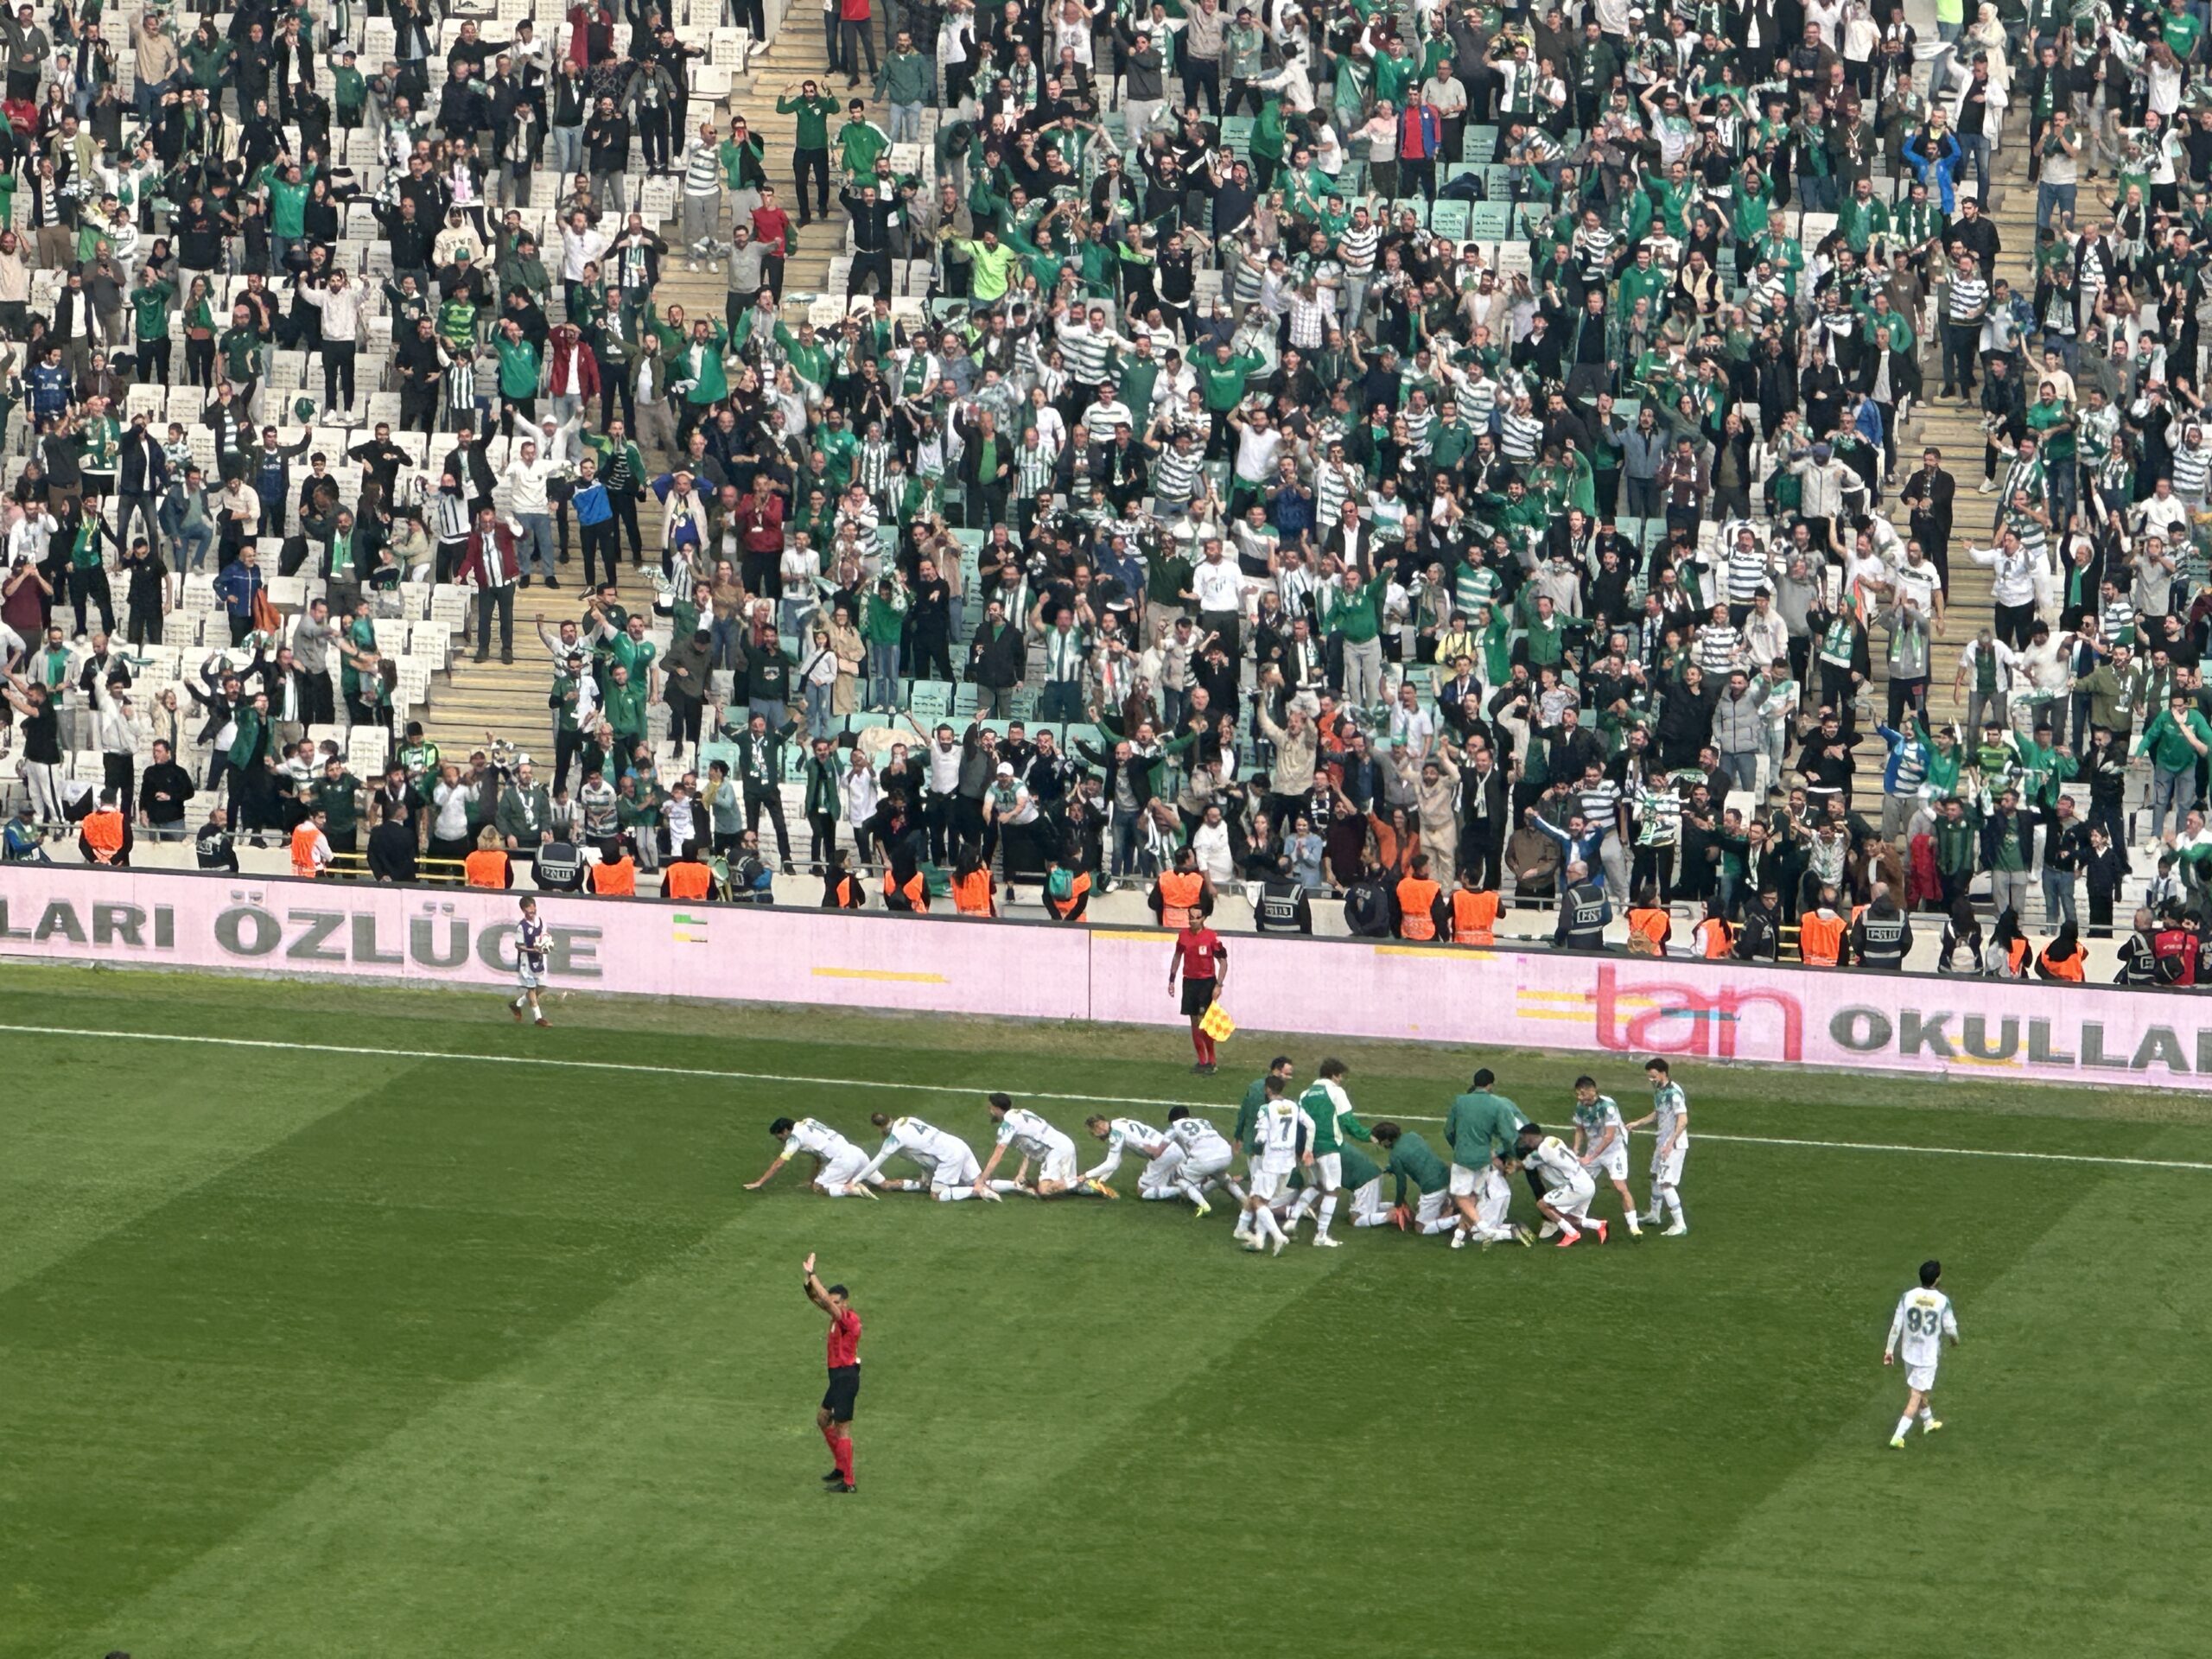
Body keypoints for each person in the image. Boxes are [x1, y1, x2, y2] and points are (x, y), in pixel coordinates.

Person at [799, 1250, 862, 1493]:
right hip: (837, 1379)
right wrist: (807, 1281)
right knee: (823, 1419)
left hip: (846, 1377)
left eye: (837, 1302)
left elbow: (824, 1299)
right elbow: (818, 1299)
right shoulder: (837, 1318)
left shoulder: (849, 1320)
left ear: (845, 1303)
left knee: (842, 1427)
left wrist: (814, 1273)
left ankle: (849, 1482)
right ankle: (840, 1466)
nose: (832, 1305)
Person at [1883, 1259, 1961, 1449]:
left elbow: (1896, 1324)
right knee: (1916, 1394)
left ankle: (1928, 1422)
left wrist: (1889, 1349)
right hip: (1927, 1356)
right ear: (1937, 1278)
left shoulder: (1907, 1296)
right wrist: (1955, 1341)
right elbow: (1950, 1329)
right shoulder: (1942, 1301)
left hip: (1908, 1353)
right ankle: (1898, 1436)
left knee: (1920, 1388)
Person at [1296, 1057, 1370, 1249]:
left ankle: (1293, 1218)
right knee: (1332, 1190)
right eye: (1341, 1076)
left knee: (1317, 1185)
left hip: (1309, 1149)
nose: (1342, 1080)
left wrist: (1304, 1150)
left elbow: (1301, 1125)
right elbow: (1347, 1121)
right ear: (1334, 1075)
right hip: (1329, 1147)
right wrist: (1367, 1136)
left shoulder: (1305, 1094)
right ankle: (1321, 1234)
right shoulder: (1336, 1092)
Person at [1238, 1072, 1311, 1255]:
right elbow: (1311, 1125)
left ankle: (1278, 1236)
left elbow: (1261, 1137)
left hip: (1271, 1161)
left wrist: (1258, 1140)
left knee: (1257, 1200)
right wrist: (1307, 1149)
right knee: (1263, 1199)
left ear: (1267, 1089)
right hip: (1288, 1162)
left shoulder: (1266, 1109)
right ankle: (1258, 1239)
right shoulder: (1294, 1106)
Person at [855, 1113, 998, 1201]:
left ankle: (976, 1192)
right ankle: (1016, 1185)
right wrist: (926, 1176)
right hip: (957, 1144)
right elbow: (923, 1149)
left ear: (879, 1128)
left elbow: (876, 1163)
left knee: (937, 1195)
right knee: (979, 1180)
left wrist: (855, 1180)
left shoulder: (894, 1139)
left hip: (949, 1156)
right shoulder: (908, 1119)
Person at [1569, 1074, 1643, 1237]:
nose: (1579, 1097)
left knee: (1620, 1187)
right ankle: (1574, 1219)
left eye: (1582, 1093)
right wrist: (1576, 1149)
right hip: (1593, 1150)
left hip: (1613, 1151)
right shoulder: (1580, 1106)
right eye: (1578, 1093)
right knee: (1580, 1184)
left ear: (1592, 1090)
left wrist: (1590, 1157)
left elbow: (1609, 1136)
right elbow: (1579, 1129)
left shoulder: (1608, 1106)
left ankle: (1634, 1226)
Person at [1513, 1122, 1609, 1248]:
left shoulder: (1541, 1152)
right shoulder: (1552, 1139)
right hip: (1586, 1180)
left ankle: (1571, 1234)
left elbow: (1524, 1165)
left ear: (1530, 1136)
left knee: (1542, 1205)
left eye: (1525, 1138)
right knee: (1568, 1217)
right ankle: (1599, 1225)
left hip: (1576, 1186)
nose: (1524, 1142)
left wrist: (1510, 1167)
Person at [1624, 1058, 1691, 1236]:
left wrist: (1670, 1144)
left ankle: (1680, 1224)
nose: (1651, 1080)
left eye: (1653, 1076)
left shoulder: (1674, 1093)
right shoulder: (1660, 1091)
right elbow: (1658, 1113)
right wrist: (1637, 1123)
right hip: (1662, 1142)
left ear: (1663, 1073)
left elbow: (1683, 1120)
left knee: (1666, 1183)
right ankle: (1654, 1214)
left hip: (1673, 1145)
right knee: (1655, 1175)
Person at [975, 1091, 1083, 1197]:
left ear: (997, 1109)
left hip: (1055, 1151)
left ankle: (1080, 1183)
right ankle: (1073, 1182)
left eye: (990, 1108)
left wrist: (982, 1180)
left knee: (1045, 1190)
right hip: (1062, 1144)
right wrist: (1022, 1173)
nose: (989, 1111)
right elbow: (1030, 1148)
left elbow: (997, 1154)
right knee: (1049, 1186)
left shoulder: (1008, 1125)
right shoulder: (1022, 1112)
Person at [747, 1116, 882, 1197]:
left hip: (843, 1160)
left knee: (818, 1187)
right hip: (855, 1151)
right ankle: (904, 1184)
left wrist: (760, 1182)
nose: (780, 1139)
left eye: (780, 1135)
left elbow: (779, 1163)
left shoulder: (794, 1139)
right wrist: (810, 1179)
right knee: (884, 1184)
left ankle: (851, 1189)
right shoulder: (808, 1121)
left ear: (786, 1130)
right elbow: (818, 1157)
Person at [1367, 1122, 1459, 1237]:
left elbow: (1402, 1185)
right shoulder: (1412, 1135)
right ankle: (1449, 1205)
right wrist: (1393, 1168)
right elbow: (1416, 1157)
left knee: (1421, 1228)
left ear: (1386, 1140)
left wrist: (1398, 1204)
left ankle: (1461, 1219)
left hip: (1432, 1187)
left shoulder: (1395, 1155)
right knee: (1436, 1206)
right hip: (1448, 1177)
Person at [1169, 916, 1228, 1074]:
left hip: (1206, 983)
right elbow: (1177, 956)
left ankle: (1212, 1061)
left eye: (1196, 918)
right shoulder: (1183, 936)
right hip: (1189, 982)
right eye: (1190, 917)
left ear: (1203, 919)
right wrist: (1172, 979)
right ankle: (1202, 1061)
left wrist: (1219, 984)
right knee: (1194, 1021)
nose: (1192, 921)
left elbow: (1223, 961)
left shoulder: (1211, 937)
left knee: (1204, 1022)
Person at [1161, 1106, 1244, 1216]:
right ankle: (1245, 1200)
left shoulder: (1175, 1126)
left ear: (1173, 1119)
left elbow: (1162, 1144)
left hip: (1204, 1158)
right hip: (1225, 1153)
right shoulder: (1203, 1121)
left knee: (1180, 1179)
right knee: (1222, 1177)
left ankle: (1203, 1204)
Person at [510, 895, 551, 1027]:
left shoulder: (539, 921)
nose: (532, 911)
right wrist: (534, 950)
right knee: (531, 989)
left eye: (534, 908)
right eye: (529, 908)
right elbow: (518, 946)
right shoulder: (521, 927)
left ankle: (517, 1004)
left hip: (538, 960)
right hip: (526, 962)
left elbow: (543, 936)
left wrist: (547, 943)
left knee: (541, 987)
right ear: (524, 910)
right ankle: (538, 1018)